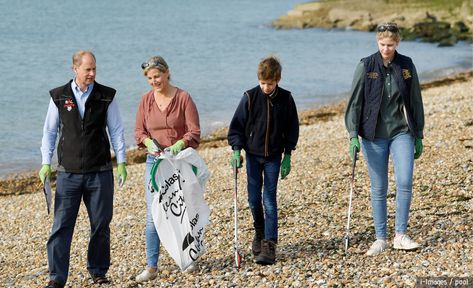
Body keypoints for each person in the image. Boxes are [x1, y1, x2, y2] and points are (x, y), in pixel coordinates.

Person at [39, 50, 127, 288]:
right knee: (61, 226)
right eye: (87, 69)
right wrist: (46, 163)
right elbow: (49, 132)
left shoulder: (106, 96)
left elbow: (116, 130)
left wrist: (122, 162)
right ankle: (57, 277)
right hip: (68, 173)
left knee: (100, 223)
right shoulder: (58, 96)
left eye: (94, 69)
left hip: (100, 172)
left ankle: (98, 271)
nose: (92, 73)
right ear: (74, 68)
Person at [344, 22, 425, 256]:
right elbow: (354, 103)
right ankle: (380, 238)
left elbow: (415, 100)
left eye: (390, 45)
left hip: (402, 132)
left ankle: (400, 235)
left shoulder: (406, 65)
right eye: (382, 44)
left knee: (405, 182)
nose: (386, 49)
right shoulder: (366, 65)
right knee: (379, 188)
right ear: (376, 42)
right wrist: (352, 135)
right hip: (372, 135)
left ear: (397, 43)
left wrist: (418, 133)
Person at [134, 55, 201, 282]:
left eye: (158, 76)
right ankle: (151, 267)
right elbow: (139, 132)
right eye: (150, 78)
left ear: (167, 73)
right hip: (155, 163)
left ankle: (188, 257)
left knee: (182, 210)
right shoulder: (145, 100)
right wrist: (148, 143)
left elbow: (194, 131)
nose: (154, 81)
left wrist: (180, 143)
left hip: (179, 161)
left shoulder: (183, 98)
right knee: (154, 215)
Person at [227, 55, 299, 265]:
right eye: (262, 83)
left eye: (270, 83)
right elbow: (237, 127)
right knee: (253, 199)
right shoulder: (249, 97)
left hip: (274, 156)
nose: (266, 87)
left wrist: (288, 155)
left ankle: (269, 243)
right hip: (252, 155)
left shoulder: (286, 99)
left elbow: (292, 128)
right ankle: (259, 230)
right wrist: (236, 150)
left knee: (269, 199)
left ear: (278, 79)